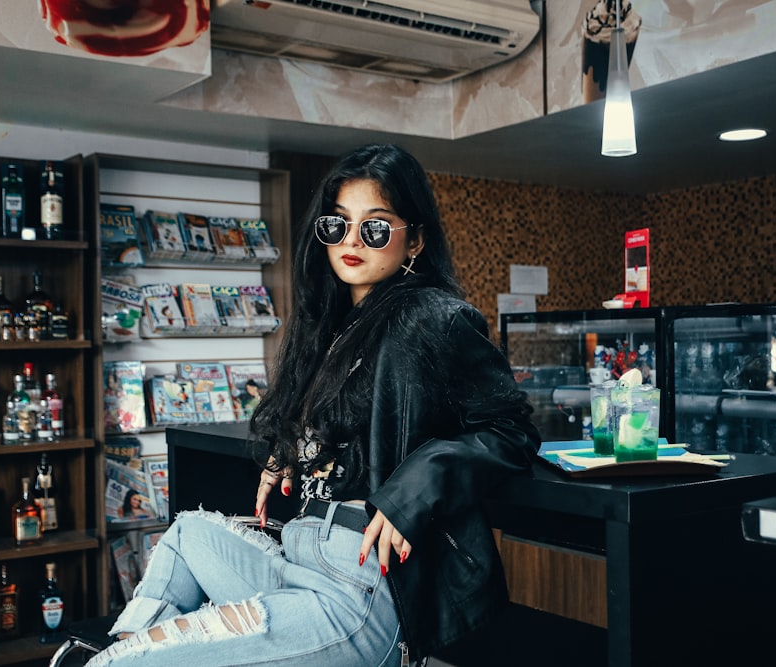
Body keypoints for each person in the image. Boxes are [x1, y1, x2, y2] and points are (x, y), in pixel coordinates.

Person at [88, 144, 540, 667]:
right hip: (298, 560)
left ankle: (118, 659)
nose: (351, 241)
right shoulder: (331, 328)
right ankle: (125, 649)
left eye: (374, 227)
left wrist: (415, 487)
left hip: (360, 589)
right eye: (338, 224)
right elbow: (343, 424)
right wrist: (287, 445)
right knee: (187, 534)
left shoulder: (435, 318)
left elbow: (510, 431)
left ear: (414, 239)